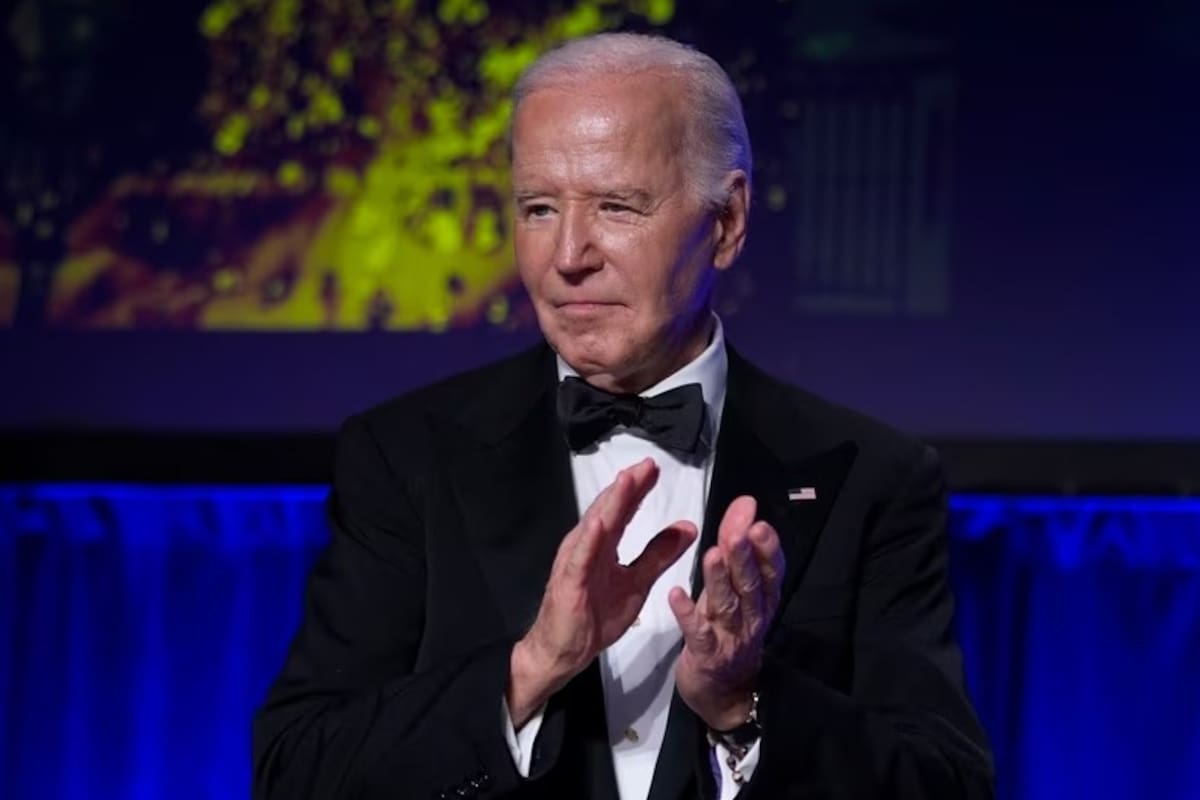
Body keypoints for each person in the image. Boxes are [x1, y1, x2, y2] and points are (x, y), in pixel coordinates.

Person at [253, 32, 994, 800]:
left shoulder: (871, 476)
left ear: (728, 221)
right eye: (539, 208)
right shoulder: (405, 455)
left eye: (616, 205)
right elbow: (299, 771)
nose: (567, 254)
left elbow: (946, 786)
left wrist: (743, 705)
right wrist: (531, 667)